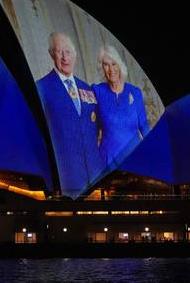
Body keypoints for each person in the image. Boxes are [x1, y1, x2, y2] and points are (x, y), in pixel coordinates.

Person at [36, 32, 103, 197]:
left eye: (68, 52)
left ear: (75, 55)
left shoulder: (87, 89)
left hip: (95, 178)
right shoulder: (41, 88)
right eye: (59, 52)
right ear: (52, 54)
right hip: (65, 179)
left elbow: (98, 129)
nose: (65, 57)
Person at [92, 44, 150, 170]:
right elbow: (93, 127)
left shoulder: (135, 92)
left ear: (120, 65)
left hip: (134, 157)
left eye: (114, 64)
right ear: (102, 68)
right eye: (106, 65)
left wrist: (155, 150)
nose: (111, 69)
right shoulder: (97, 91)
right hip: (107, 161)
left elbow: (144, 125)